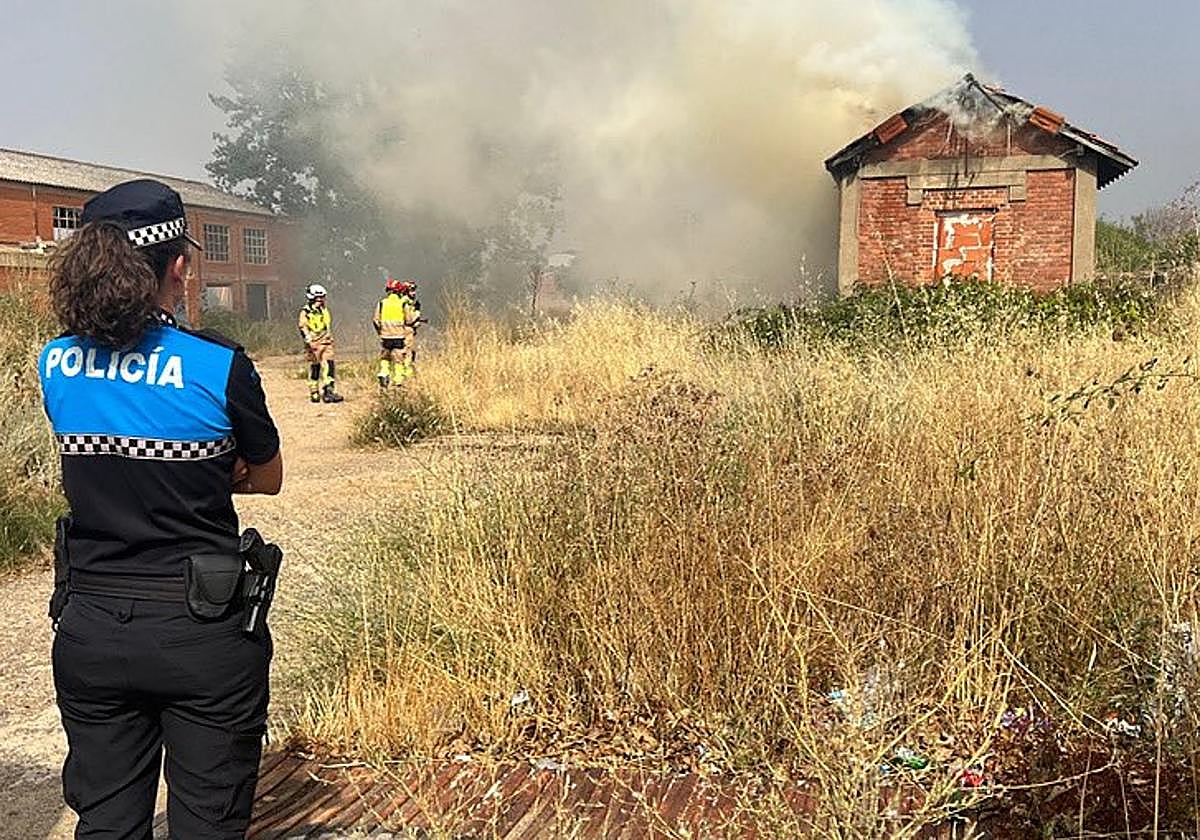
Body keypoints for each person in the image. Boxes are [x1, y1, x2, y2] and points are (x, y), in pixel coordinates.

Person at [38, 179, 284, 839]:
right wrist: (204, 471)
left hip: (89, 623)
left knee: (108, 821)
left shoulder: (54, 362)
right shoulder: (217, 364)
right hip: (200, 628)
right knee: (208, 822)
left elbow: (100, 460)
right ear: (178, 265)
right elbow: (267, 476)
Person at [297, 283, 343, 403]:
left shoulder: (324, 310)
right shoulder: (305, 312)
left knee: (329, 365)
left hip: (325, 341)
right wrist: (308, 339)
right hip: (313, 343)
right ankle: (314, 391)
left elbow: (327, 325)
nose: (321, 300)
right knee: (315, 367)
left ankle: (328, 391)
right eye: (319, 298)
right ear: (312, 298)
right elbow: (302, 326)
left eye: (322, 298)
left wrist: (329, 337)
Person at [372, 277, 420, 387]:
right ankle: (398, 381)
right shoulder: (402, 304)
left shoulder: (381, 303)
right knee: (399, 359)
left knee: (385, 357)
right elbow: (409, 320)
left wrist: (380, 332)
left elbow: (375, 320)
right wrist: (416, 314)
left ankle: (383, 374)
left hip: (385, 337)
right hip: (399, 336)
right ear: (399, 291)